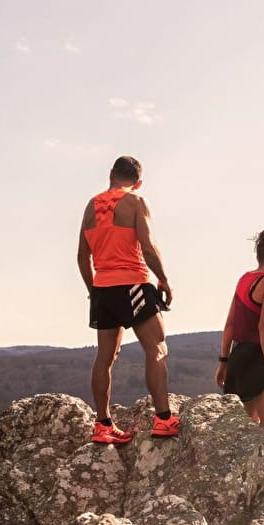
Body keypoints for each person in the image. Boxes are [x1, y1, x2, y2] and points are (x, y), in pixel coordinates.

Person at [76, 155, 179, 443]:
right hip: (132, 281)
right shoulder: (136, 202)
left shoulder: (91, 206)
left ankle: (103, 424)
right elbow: (147, 246)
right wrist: (164, 280)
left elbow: (82, 256)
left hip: (103, 287)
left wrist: (93, 289)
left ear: (111, 174)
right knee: (157, 347)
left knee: (105, 357)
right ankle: (163, 419)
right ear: (138, 182)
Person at [217, 230, 264, 466]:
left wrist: (223, 361)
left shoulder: (244, 280)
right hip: (260, 359)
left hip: (238, 358)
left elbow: (228, 325)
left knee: (240, 431)